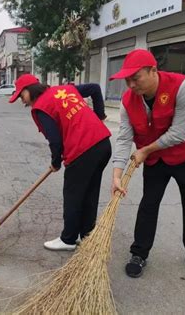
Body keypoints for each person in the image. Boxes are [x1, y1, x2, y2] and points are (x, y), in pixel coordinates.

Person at [110, 49, 185, 279]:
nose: (131, 85)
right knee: (149, 203)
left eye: (135, 78)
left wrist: (145, 150)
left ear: (153, 71)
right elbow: (123, 137)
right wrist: (117, 175)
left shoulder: (183, 87)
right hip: (157, 158)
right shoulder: (127, 101)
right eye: (127, 80)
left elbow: (179, 133)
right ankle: (139, 253)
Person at [9, 74, 111, 251]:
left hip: (83, 150)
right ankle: (87, 235)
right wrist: (99, 116)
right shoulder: (64, 89)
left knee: (73, 196)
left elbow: (55, 141)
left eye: (21, 95)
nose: (21, 100)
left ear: (29, 89)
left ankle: (68, 239)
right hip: (103, 144)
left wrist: (55, 162)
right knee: (89, 193)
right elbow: (95, 87)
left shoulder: (41, 106)